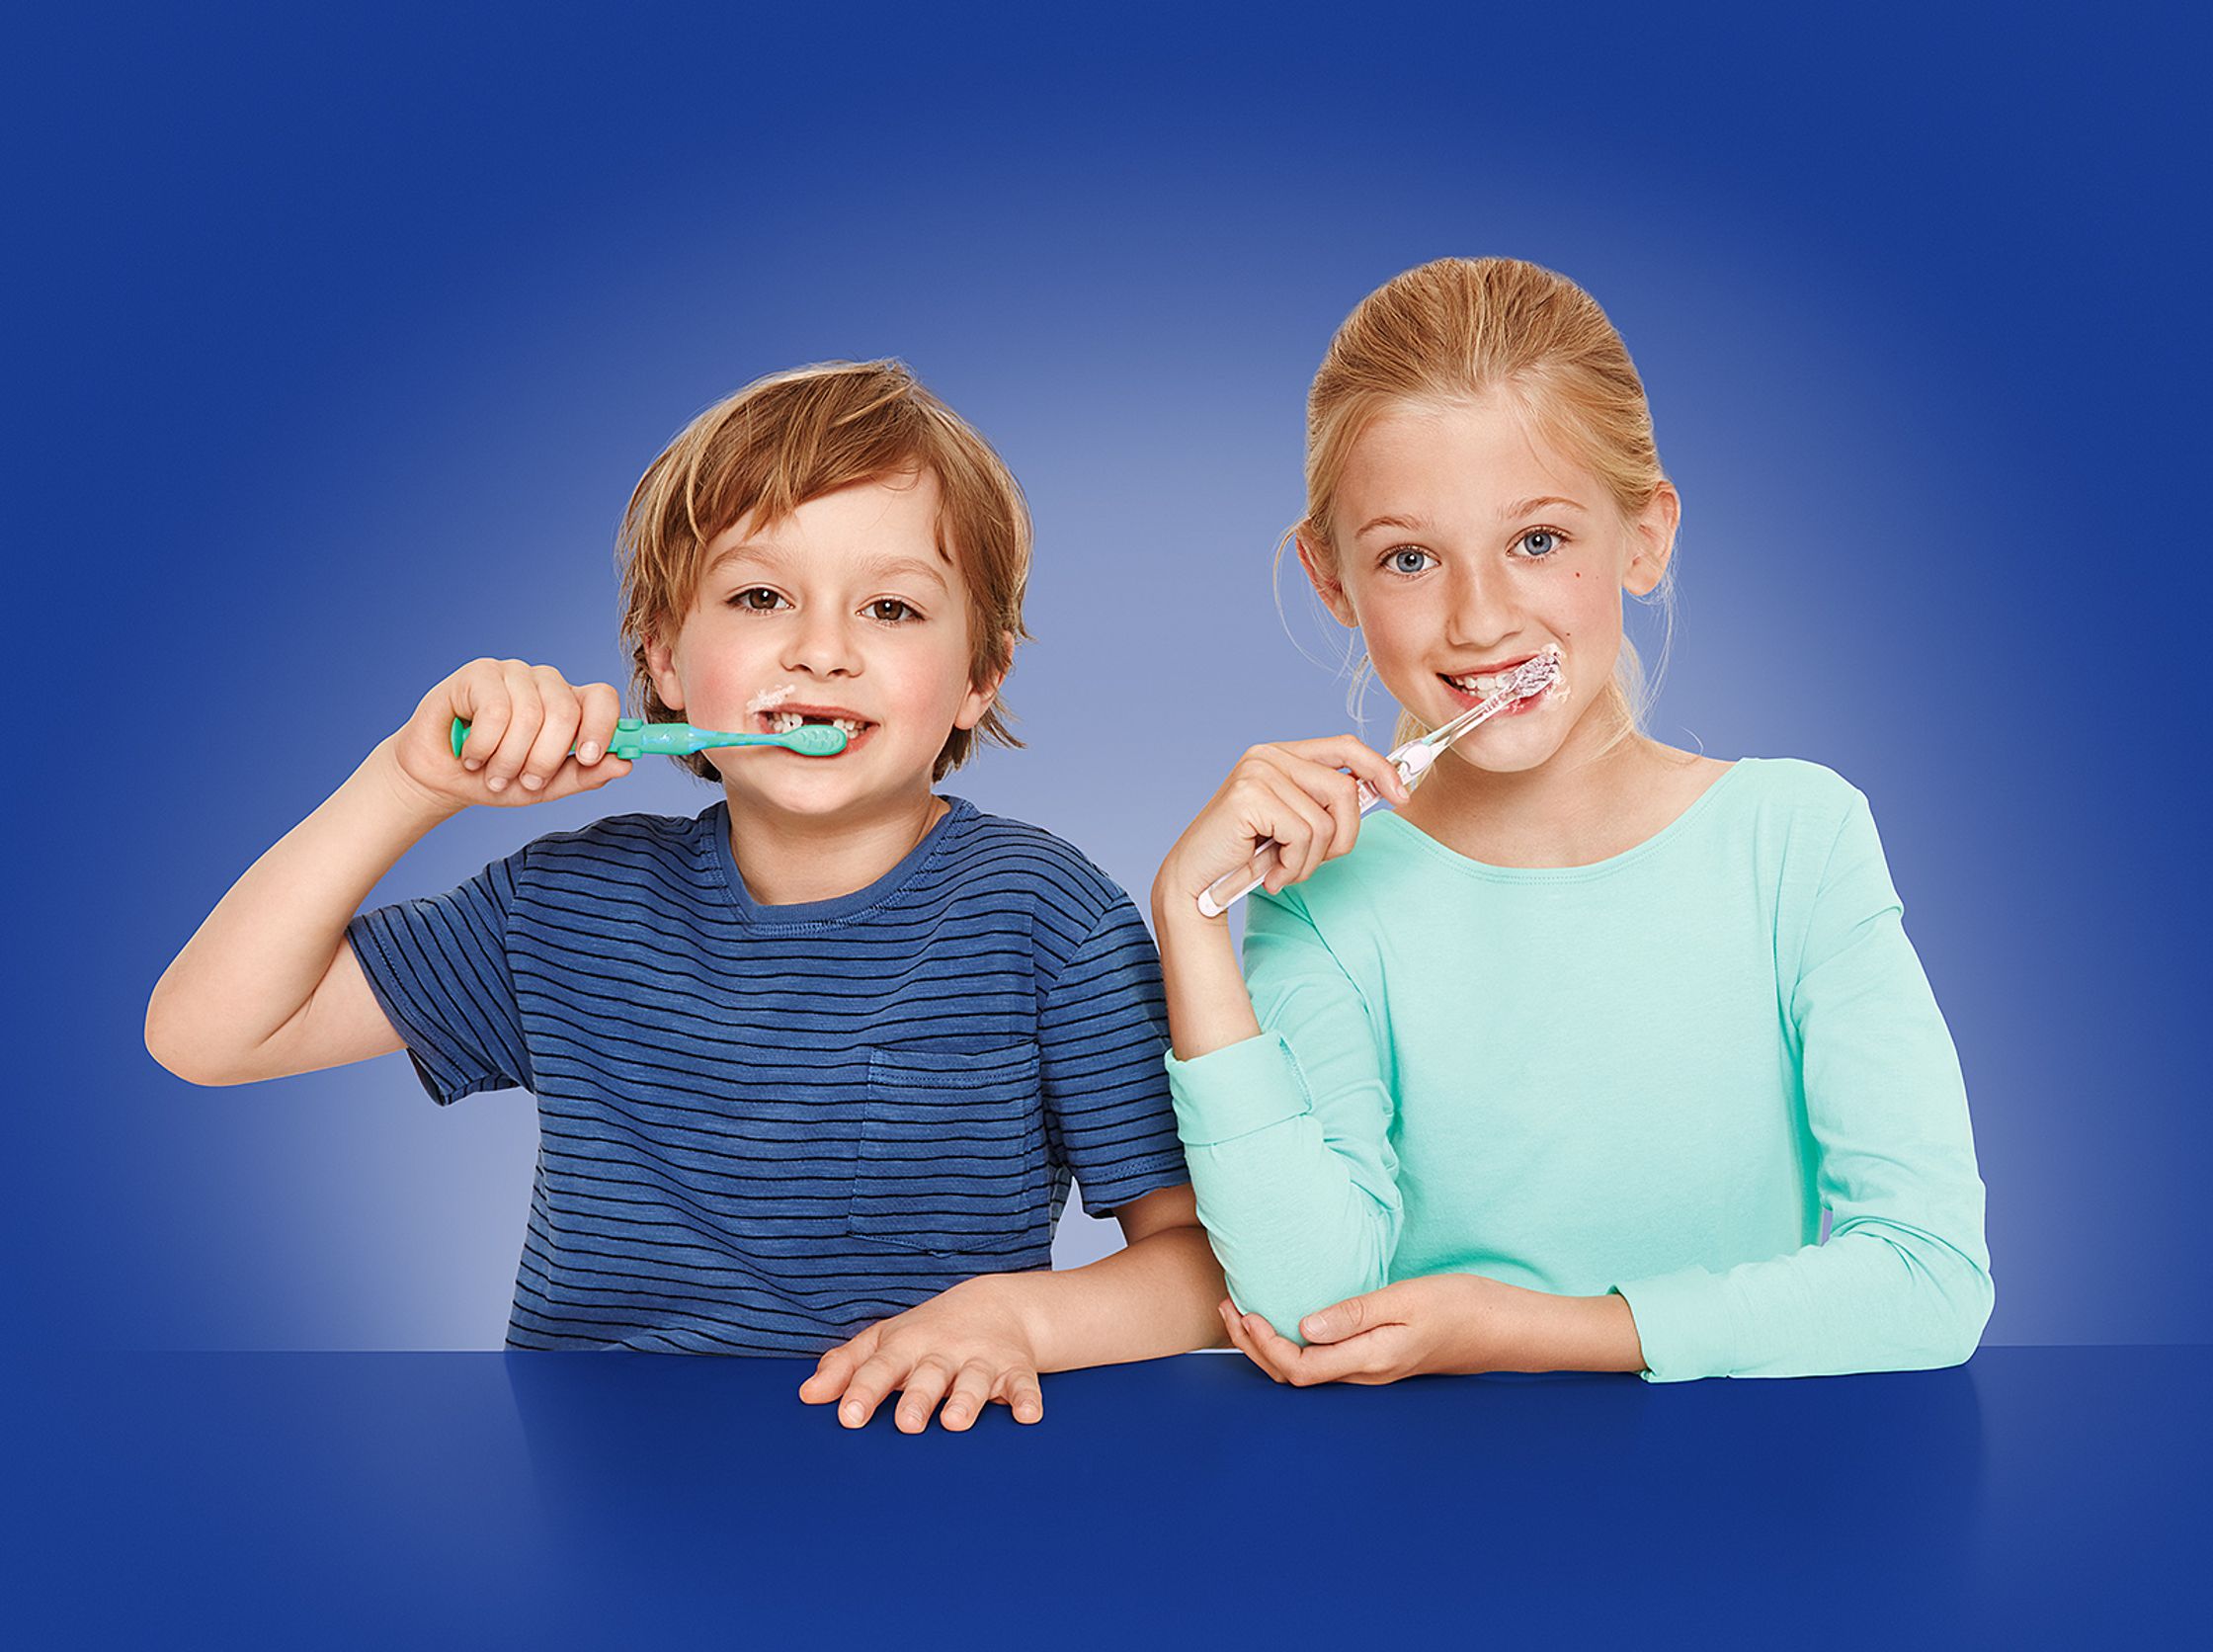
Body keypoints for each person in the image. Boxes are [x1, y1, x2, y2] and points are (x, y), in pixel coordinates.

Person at [146, 360, 1223, 1429]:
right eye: (760, 596)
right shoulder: (566, 904)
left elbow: (1202, 1270)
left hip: (917, 1477)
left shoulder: (1047, 917)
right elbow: (209, 1034)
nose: (822, 650)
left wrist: (1018, 1323)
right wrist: (407, 784)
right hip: (604, 1482)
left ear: (978, 676)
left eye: (891, 608)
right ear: (661, 656)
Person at [1151, 258, 1994, 1384]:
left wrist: (1522, 1330)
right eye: (1409, 558)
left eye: (1537, 540)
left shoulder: (1795, 840)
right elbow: (1311, 1304)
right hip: (1430, 1510)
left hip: (1732, 1507)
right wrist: (1189, 925)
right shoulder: (1322, 892)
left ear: (1642, 538)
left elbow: (1928, 1284)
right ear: (1331, 581)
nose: (1480, 615)